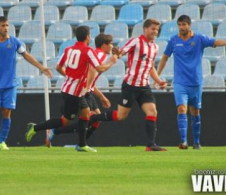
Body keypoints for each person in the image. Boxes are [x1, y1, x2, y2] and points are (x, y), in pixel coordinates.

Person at [25, 26, 118, 152]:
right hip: (74, 92)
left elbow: (58, 67)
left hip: (69, 89)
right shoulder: (88, 51)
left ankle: (81, 145)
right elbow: (99, 68)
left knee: (86, 115)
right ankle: (35, 128)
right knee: (66, 121)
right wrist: (112, 61)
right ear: (88, 37)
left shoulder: (68, 50)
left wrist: (70, 77)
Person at [0, 16, 53, 150]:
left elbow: (26, 55)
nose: (6, 28)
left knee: (6, 112)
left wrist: (41, 67)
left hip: (10, 84)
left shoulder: (14, 41)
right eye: (3, 25)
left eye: (7, 25)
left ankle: (2, 142)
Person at [156, 15, 226, 150]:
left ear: (189, 25)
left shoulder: (199, 38)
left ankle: (196, 142)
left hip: (196, 82)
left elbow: (214, 42)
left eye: (184, 25)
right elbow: (164, 58)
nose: (181, 27)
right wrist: (157, 76)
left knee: (195, 111)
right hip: (180, 82)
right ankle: (184, 141)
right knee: (181, 108)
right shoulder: (174, 40)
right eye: (179, 25)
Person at [89, 18, 168, 151]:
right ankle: (94, 117)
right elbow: (122, 52)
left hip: (144, 87)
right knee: (121, 116)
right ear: (145, 29)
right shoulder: (136, 41)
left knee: (152, 111)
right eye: (153, 29)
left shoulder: (155, 47)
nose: (155, 31)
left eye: (157, 29)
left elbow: (150, 67)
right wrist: (118, 53)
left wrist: (159, 80)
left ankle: (150, 145)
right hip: (131, 85)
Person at [46, 34, 114, 147]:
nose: (112, 46)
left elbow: (90, 80)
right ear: (104, 45)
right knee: (90, 118)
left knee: (94, 120)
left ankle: (77, 142)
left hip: (86, 91)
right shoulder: (101, 55)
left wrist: (101, 96)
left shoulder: (96, 53)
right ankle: (68, 137)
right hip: (83, 92)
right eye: (111, 44)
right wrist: (112, 61)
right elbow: (91, 71)